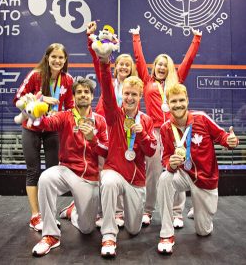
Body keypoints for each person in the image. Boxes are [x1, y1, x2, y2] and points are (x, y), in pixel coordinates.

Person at [129, 25, 202, 227]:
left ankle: (177, 212)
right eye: (159, 64)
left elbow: (188, 61)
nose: (161, 67)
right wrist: (136, 37)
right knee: (152, 174)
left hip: (174, 131)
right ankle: (148, 210)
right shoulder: (146, 80)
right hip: (153, 132)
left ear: (169, 67)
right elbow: (139, 60)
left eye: (165, 64)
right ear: (155, 67)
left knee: (177, 171)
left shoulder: (176, 80)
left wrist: (196, 39)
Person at [157, 83, 239, 254]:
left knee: (203, 231)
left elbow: (222, 136)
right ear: (168, 104)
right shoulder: (165, 128)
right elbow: (165, 157)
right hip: (183, 174)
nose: (178, 104)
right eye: (173, 101)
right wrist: (169, 164)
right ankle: (166, 234)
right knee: (165, 179)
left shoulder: (201, 118)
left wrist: (231, 141)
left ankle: (200, 208)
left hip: (205, 179)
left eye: (181, 100)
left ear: (187, 100)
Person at [31, 78, 108, 256]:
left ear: (91, 97)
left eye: (86, 92)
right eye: (79, 92)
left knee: (87, 228)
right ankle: (51, 235)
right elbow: (44, 123)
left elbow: (106, 151)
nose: (83, 95)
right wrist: (37, 106)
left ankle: (72, 211)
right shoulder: (65, 116)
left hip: (89, 177)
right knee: (46, 178)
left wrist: (93, 140)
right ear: (73, 96)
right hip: (66, 170)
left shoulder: (100, 121)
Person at [97, 57, 157, 257]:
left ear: (140, 96)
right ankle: (108, 235)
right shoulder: (113, 114)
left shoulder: (146, 120)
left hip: (136, 181)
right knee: (109, 182)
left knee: (133, 229)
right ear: (121, 96)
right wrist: (105, 63)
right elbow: (106, 88)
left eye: (134, 94)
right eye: (126, 94)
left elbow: (151, 151)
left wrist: (142, 134)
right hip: (114, 170)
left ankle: (130, 219)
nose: (129, 98)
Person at [13, 43, 74, 232]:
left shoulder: (68, 80)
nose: (57, 61)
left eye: (61, 58)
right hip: (31, 128)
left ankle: (48, 215)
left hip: (52, 129)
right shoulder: (36, 75)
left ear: (65, 61)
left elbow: (70, 105)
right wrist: (41, 99)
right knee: (33, 171)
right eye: (53, 57)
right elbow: (18, 100)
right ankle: (35, 216)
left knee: (52, 173)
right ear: (47, 57)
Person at [86, 21, 137, 228]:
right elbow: (97, 59)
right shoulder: (106, 79)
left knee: (122, 168)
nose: (124, 66)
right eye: (121, 64)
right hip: (104, 126)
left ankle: (119, 212)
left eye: (128, 64)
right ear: (115, 66)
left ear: (132, 68)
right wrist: (90, 41)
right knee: (101, 168)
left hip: (123, 130)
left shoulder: (133, 88)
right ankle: (101, 211)